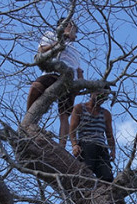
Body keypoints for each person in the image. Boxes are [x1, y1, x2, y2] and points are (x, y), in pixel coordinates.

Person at [26, 18, 84, 146]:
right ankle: (28, 120)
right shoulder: (51, 35)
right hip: (53, 73)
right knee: (36, 86)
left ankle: (62, 145)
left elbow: (78, 68)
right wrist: (60, 41)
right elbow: (42, 50)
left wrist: (81, 81)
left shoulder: (75, 50)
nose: (73, 29)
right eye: (71, 26)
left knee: (64, 115)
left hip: (70, 79)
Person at [69, 90, 116, 182]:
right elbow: (72, 129)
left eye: (104, 97)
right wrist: (74, 145)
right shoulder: (79, 108)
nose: (101, 98)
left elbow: (109, 134)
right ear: (92, 93)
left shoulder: (106, 114)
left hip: (101, 147)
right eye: (99, 94)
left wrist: (113, 150)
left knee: (107, 178)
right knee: (86, 173)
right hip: (86, 144)